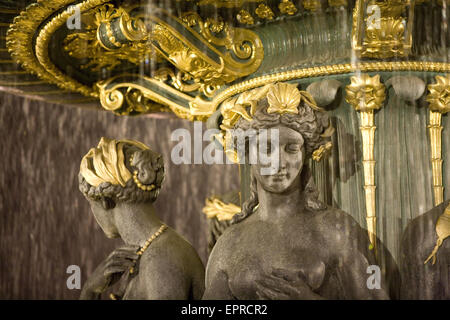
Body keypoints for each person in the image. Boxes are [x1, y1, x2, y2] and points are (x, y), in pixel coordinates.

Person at [203, 82, 390, 299]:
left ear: (305, 156)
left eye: (291, 148)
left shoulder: (335, 230)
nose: (278, 162)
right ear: (249, 156)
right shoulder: (230, 242)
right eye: (266, 149)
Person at [78, 137, 204, 299]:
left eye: (91, 204)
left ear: (105, 202)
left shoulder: (161, 259)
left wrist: (89, 291)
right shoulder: (149, 253)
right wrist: (90, 290)